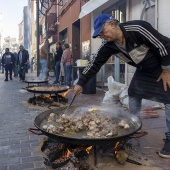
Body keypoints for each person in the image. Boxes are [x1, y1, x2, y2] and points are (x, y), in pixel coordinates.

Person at [73, 14, 170, 158]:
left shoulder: (137, 28)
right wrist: (80, 83)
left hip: (163, 66)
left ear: (112, 24)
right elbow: (95, 63)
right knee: (134, 93)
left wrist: (167, 71)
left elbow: (164, 45)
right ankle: (134, 126)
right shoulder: (108, 45)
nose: (101, 35)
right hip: (144, 70)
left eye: (102, 31)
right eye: (99, 34)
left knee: (168, 99)